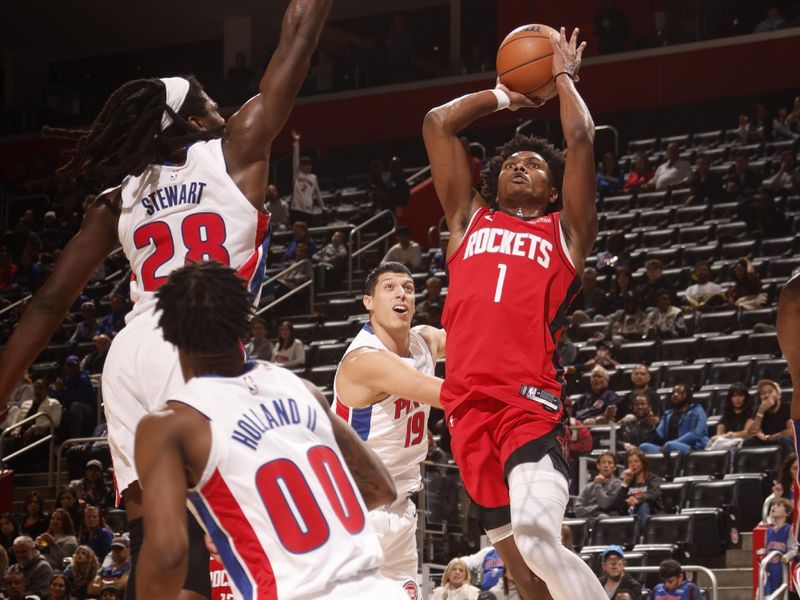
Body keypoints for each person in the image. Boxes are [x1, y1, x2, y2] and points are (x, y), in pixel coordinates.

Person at [0, 1, 331, 598]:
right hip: (195, 344)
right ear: (194, 119)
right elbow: (299, 34)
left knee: (156, 536)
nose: (223, 111)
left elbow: (48, 304)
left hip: (130, 353)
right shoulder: (236, 149)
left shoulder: (116, 198)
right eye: (211, 103)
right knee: (216, 527)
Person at [423, 25, 606, 599]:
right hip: (465, 412)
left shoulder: (566, 232)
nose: (519, 166)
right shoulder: (467, 221)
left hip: (527, 402)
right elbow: (437, 123)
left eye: (533, 165)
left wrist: (562, 78)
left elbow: (580, 138)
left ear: (554, 191)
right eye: (510, 163)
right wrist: (508, 96)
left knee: (538, 537)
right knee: (524, 575)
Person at [133, 262, 405, 600]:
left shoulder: (171, 424)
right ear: (245, 323)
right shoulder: (301, 388)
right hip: (380, 590)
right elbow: (379, 488)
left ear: (169, 333)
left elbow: (167, 556)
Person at [333, 262, 446, 597]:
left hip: (399, 506)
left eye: (408, 288)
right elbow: (447, 395)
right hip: (353, 509)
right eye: (390, 287)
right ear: (368, 302)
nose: (402, 293)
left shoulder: (424, 340)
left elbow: (477, 343)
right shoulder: (366, 360)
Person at [2, 380, 61, 472]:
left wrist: (35, 427)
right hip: (21, 436)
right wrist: (15, 431)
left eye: (40, 388)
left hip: (40, 436)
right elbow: (16, 421)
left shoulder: (53, 403)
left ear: (47, 390)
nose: (37, 390)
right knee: (7, 442)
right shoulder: (26, 404)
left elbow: (55, 422)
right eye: (35, 388)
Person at [640, 385, 709, 454]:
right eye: (673, 393)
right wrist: (653, 426)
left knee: (670, 445)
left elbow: (696, 434)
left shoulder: (697, 410)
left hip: (692, 447)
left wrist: (673, 443)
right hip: (668, 447)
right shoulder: (668, 414)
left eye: (679, 392)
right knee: (643, 447)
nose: (675, 395)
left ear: (688, 395)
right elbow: (660, 435)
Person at [613, 450, 663, 527]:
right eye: (630, 462)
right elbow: (618, 505)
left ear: (643, 463)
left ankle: (643, 535)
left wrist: (637, 500)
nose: (633, 465)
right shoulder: (629, 483)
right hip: (630, 515)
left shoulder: (654, 479)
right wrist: (625, 483)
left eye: (636, 461)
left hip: (651, 516)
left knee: (643, 505)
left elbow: (653, 494)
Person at [759, 497, 797, 596]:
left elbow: (794, 549)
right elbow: (766, 549)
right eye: (773, 505)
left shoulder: (789, 529)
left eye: (778, 505)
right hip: (770, 571)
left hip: (783, 571)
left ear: (787, 513)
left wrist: (787, 556)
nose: (774, 507)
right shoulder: (768, 531)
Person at [745, 379, 793, 457]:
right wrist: (761, 412)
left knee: (784, 440)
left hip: (780, 440)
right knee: (748, 443)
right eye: (763, 393)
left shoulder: (788, 408)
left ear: (778, 395)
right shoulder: (759, 410)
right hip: (766, 441)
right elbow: (751, 434)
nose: (766, 396)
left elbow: (791, 432)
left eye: (770, 392)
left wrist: (769, 437)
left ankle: (792, 466)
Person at [574, 452, 622, 523]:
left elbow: (604, 504)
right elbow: (577, 510)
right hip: (588, 520)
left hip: (607, 522)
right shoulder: (588, 487)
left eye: (610, 462)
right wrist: (596, 509)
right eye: (603, 462)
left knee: (602, 517)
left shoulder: (617, 484)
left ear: (615, 467)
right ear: (598, 466)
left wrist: (598, 484)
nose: (606, 465)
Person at [289, 130, 325, 223]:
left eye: (310, 165)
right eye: (306, 164)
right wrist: (296, 142)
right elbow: (295, 159)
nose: (309, 167)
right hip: (296, 208)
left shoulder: (313, 177)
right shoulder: (297, 174)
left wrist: (322, 207)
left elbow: (317, 193)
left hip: (308, 209)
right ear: (301, 166)